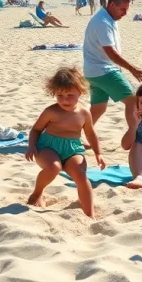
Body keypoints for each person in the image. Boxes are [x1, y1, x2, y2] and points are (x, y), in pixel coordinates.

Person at [26, 67, 104, 217]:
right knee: (53, 168)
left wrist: (98, 153)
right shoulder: (51, 111)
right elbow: (35, 130)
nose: (64, 100)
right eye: (60, 95)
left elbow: (90, 133)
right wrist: (31, 146)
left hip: (73, 148)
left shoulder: (84, 113)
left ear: (80, 93)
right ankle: (37, 193)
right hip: (48, 146)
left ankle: (90, 214)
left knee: (80, 175)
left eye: (70, 95)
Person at [84, 0, 142, 131]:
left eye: (126, 10)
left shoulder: (107, 17)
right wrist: (132, 69)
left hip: (92, 71)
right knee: (132, 100)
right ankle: (135, 136)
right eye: (122, 9)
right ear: (112, 4)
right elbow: (110, 52)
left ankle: (76, 134)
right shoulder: (103, 22)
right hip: (104, 70)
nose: (125, 13)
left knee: (98, 107)